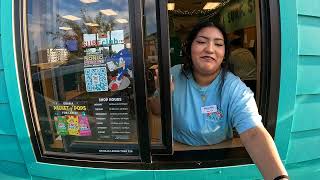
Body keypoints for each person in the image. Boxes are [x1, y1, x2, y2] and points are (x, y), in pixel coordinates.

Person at [149, 21, 288, 180]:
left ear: (224, 53)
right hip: (179, 154)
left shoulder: (235, 88)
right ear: (189, 48)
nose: (209, 49)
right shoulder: (173, 74)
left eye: (218, 44)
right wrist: (164, 94)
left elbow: (253, 133)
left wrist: (279, 178)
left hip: (220, 158)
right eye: (201, 42)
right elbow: (155, 110)